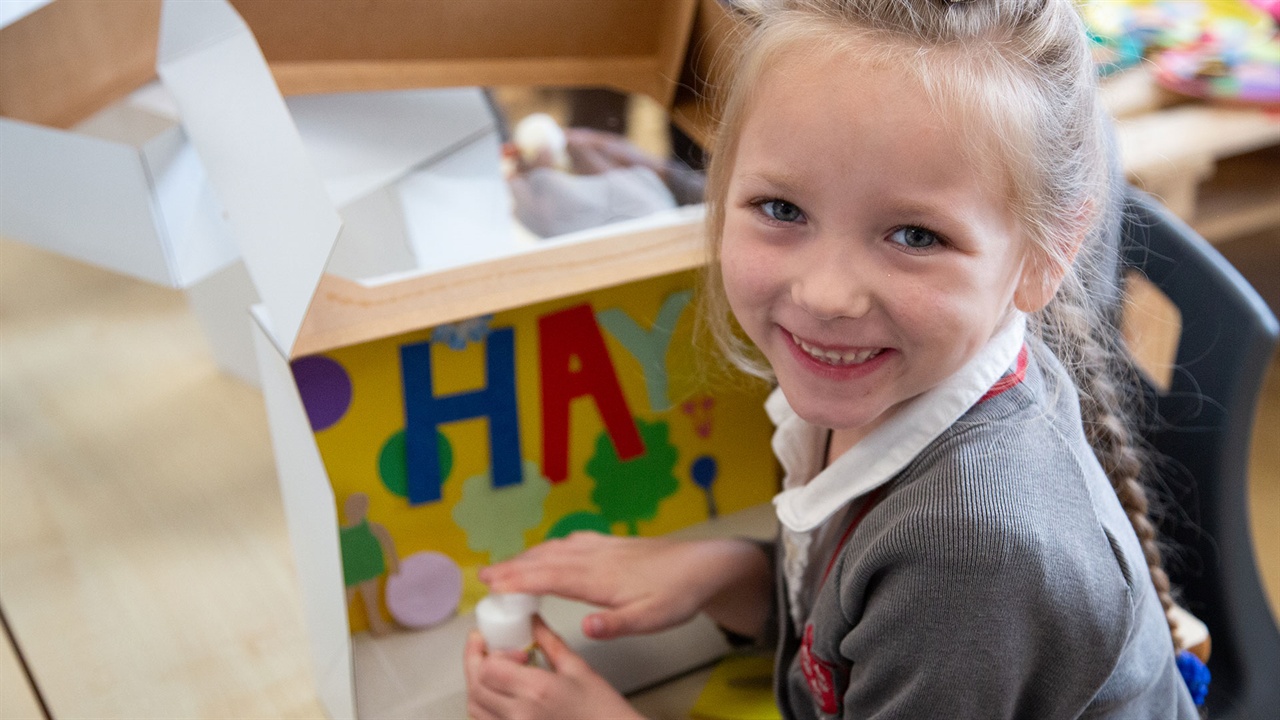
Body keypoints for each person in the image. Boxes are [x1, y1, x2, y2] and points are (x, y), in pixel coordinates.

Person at [463, 0, 1200, 717]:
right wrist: (738, 576)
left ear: (1047, 256)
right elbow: (860, 626)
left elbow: (926, 601)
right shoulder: (892, 384)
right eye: (783, 210)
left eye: (914, 236)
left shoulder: (971, 553)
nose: (826, 295)